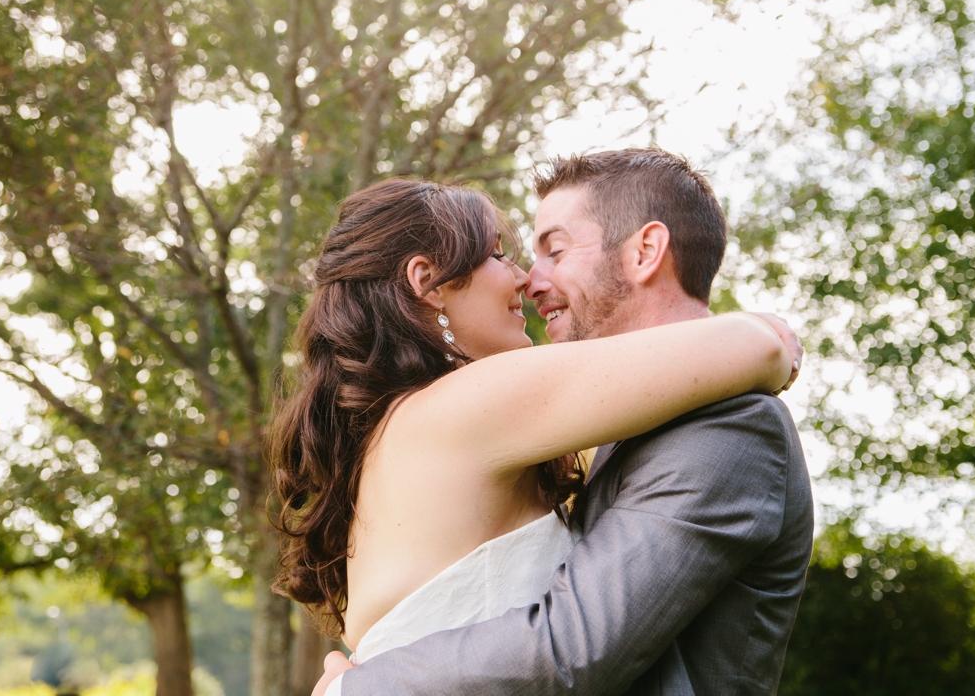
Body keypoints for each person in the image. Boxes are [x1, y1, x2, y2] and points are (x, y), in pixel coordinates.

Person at [272, 154, 806, 696]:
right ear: (429, 284)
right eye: (502, 254)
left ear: (646, 251)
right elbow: (758, 347)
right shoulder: (469, 404)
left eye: (554, 249)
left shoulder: (409, 431)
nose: (529, 279)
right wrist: (767, 333)